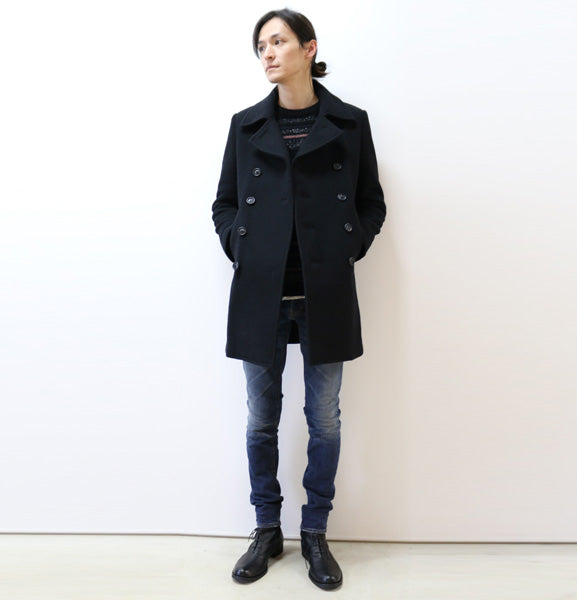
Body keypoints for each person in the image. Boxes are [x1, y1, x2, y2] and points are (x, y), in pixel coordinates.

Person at [211, 8, 386, 591]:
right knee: (261, 420)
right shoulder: (244, 126)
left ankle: (314, 533)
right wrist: (239, 242)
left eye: (278, 41)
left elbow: (371, 202)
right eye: (261, 45)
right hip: (260, 291)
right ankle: (266, 530)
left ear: (309, 48)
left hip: (324, 293)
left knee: (324, 420)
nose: (267, 52)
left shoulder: (350, 123)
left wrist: (348, 247)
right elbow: (224, 203)